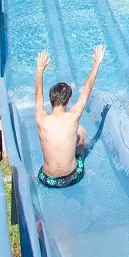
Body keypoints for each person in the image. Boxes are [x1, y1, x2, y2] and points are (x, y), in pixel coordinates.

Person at [35, 45, 104, 188]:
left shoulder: (41, 119)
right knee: (80, 132)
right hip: (73, 177)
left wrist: (40, 68)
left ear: (51, 99)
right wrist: (96, 63)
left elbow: (37, 94)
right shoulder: (73, 117)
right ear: (67, 101)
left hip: (48, 179)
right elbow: (87, 88)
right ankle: (78, 157)